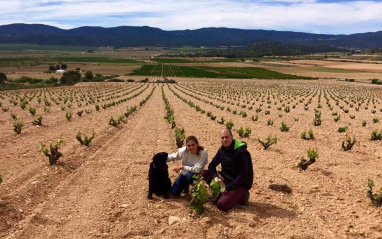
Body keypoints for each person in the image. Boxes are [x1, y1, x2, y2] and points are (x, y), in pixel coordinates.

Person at [202, 128, 253, 211]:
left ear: (232, 137)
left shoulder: (241, 153)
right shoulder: (222, 150)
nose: (224, 140)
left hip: (240, 184)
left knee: (222, 205)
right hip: (226, 179)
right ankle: (224, 194)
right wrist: (215, 177)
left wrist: (228, 187)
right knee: (204, 173)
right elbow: (211, 165)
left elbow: (243, 175)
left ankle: (243, 196)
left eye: (227, 137)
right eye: (222, 138)